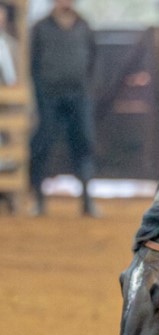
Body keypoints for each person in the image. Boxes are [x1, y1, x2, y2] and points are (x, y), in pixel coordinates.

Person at [28, 0, 98, 217]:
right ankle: (39, 201)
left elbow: (94, 61)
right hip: (49, 97)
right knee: (42, 146)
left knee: (83, 145)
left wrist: (88, 90)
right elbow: (33, 64)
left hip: (79, 96)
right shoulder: (40, 27)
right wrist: (40, 96)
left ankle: (87, 201)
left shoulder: (84, 25)